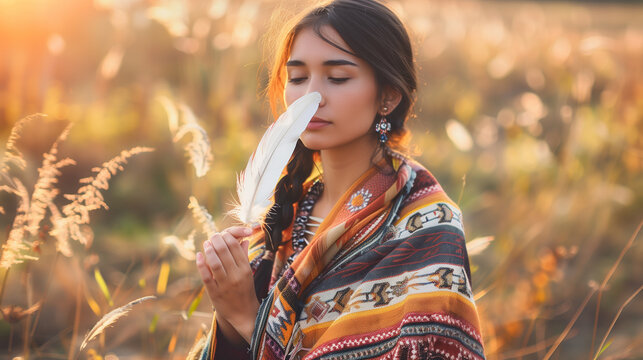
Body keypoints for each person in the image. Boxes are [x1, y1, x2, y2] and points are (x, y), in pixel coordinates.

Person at [190, 0, 485, 359]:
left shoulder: (428, 227)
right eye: (297, 78)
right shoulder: (284, 216)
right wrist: (227, 310)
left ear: (388, 96)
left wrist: (247, 319)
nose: (311, 97)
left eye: (338, 77)